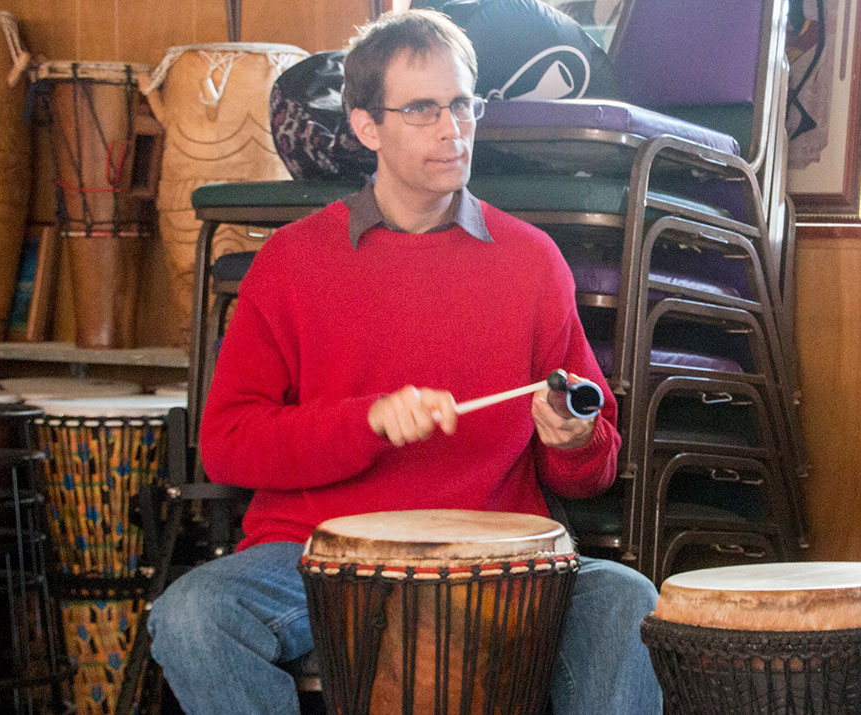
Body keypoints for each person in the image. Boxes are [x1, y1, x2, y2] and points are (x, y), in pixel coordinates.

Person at [146, 11, 661, 715]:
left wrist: (574, 441)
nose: (452, 128)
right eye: (422, 109)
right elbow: (230, 444)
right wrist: (368, 422)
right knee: (190, 616)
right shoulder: (291, 261)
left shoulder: (531, 260)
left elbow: (593, 455)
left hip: (498, 561)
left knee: (627, 599)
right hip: (319, 557)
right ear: (366, 126)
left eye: (462, 103)